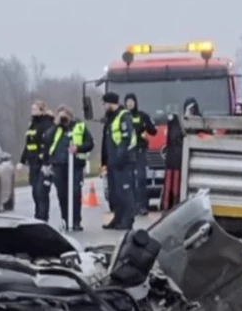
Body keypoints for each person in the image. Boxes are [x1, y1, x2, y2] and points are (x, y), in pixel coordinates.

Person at [43, 105, 94, 231]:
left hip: (75, 165)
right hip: (59, 164)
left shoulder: (79, 126)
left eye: (65, 115)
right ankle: (65, 219)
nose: (63, 117)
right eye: (60, 115)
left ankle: (76, 220)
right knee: (62, 194)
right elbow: (46, 140)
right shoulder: (55, 129)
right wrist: (56, 124)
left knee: (75, 192)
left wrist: (78, 148)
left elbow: (90, 143)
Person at [100, 92, 137, 230]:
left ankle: (127, 220)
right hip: (112, 162)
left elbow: (127, 139)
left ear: (110, 103)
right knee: (115, 194)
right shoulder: (111, 119)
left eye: (104, 104)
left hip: (123, 162)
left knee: (125, 193)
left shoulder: (123, 116)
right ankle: (118, 218)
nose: (104, 107)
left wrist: (120, 157)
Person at [20, 100, 54, 221]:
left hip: (43, 162)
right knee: (35, 191)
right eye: (32, 109)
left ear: (42, 110)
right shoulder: (32, 124)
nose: (32, 112)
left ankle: (43, 216)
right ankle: (37, 214)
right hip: (33, 162)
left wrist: (45, 160)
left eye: (34, 109)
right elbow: (28, 143)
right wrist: (22, 160)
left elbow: (48, 144)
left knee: (41, 191)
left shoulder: (47, 124)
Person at [124, 93, 157, 216]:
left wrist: (146, 127)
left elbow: (153, 131)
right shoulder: (123, 116)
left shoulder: (142, 116)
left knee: (141, 179)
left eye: (131, 101)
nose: (130, 104)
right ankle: (131, 206)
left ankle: (142, 205)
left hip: (140, 151)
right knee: (129, 180)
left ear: (135, 102)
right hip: (127, 153)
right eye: (127, 101)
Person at [160, 112, 184, 211]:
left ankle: (169, 205)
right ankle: (172, 204)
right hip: (173, 160)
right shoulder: (177, 126)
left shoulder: (175, 126)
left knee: (174, 183)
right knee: (172, 182)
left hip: (174, 160)